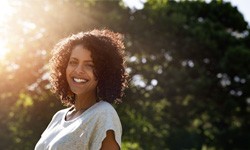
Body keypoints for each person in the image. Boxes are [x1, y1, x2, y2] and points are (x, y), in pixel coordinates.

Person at [35, 29, 128, 150]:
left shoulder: (104, 114)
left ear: (104, 72)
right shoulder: (59, 117)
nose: (79, 70)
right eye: (73, 62)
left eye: (89, 65)